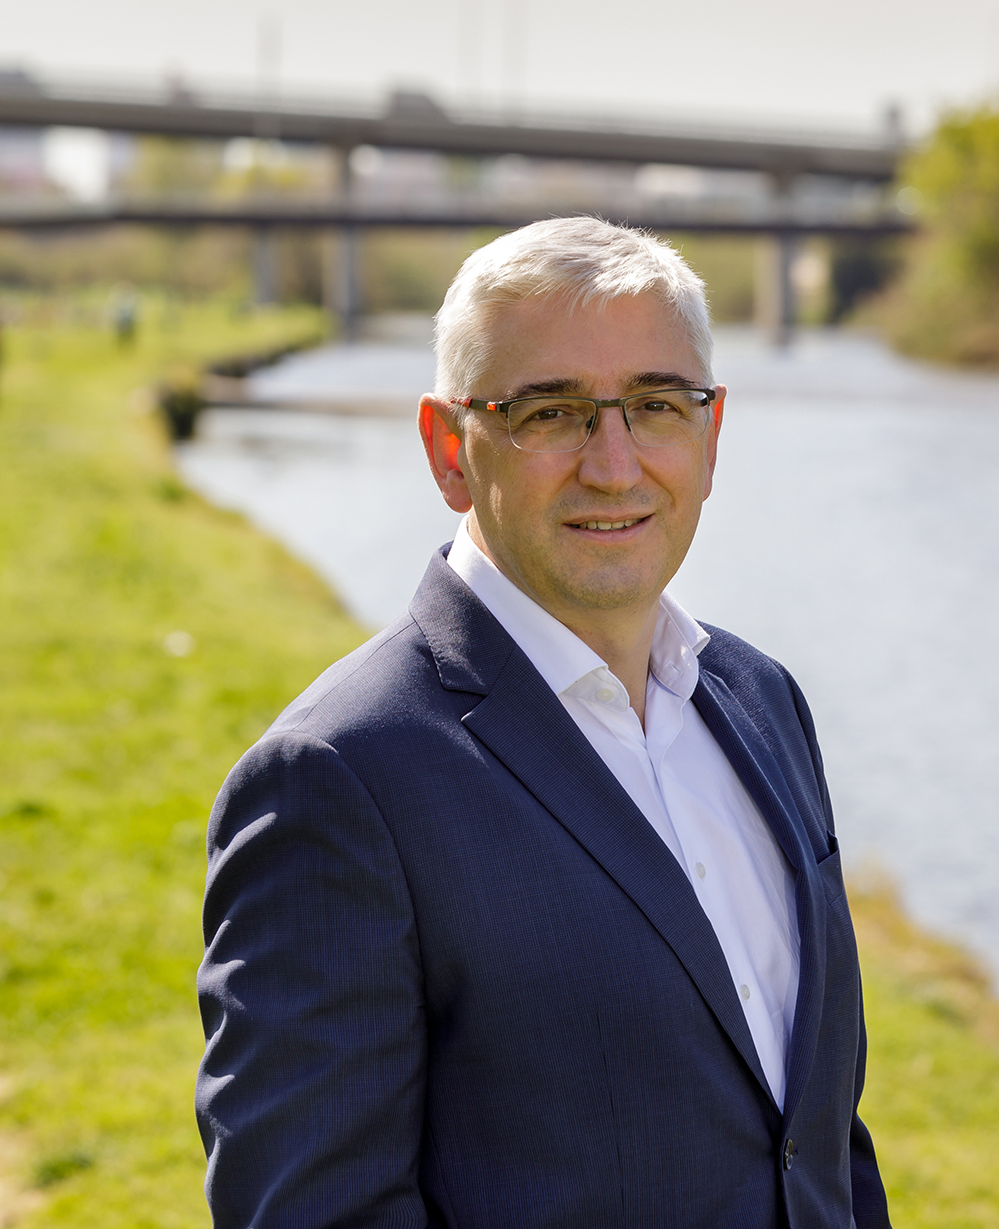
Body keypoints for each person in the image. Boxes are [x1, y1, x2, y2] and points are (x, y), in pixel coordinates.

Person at [197, 217, 889, 1228]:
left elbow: (819, 1139)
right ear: (448, 450)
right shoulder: (337, 782)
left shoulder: (763, 700)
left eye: (656, 405)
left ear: (710, 436)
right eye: (550, 413)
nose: (614, 466)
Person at [110, 284, 138, 349]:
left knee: (128, 333)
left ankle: (129, 344)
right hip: (122, 320)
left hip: (128, 319)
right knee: (122, 333)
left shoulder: (132, 298)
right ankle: (122, 345)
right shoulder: (118, 298)